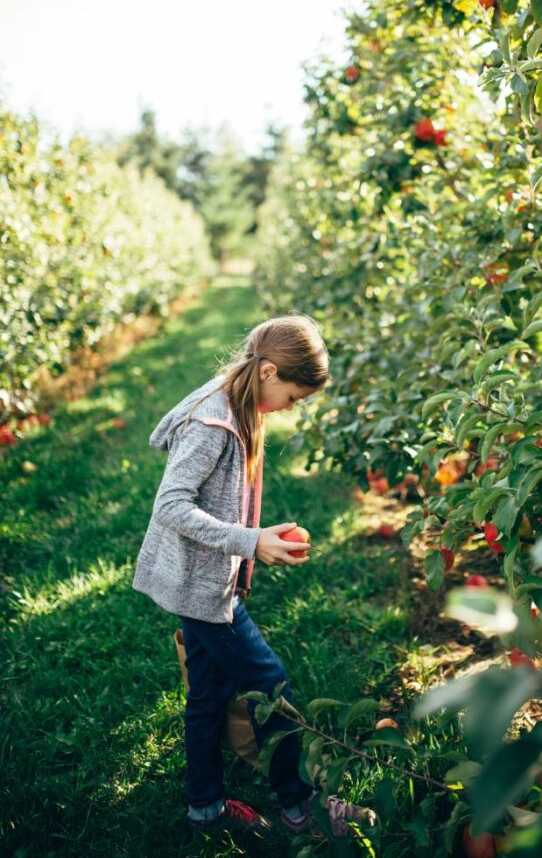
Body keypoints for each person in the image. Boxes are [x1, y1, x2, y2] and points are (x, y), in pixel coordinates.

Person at [132, 314, 376, 839]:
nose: (290, 409)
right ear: (267, 371)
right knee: (271, 687)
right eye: (292, 398)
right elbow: (170, 505)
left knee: (207, 694)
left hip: (199, 581)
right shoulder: (212, 423)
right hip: (200, 589)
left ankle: (205, 808)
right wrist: (251, 541)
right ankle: (300, 807)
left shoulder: (237, 401)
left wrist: (255, 534)